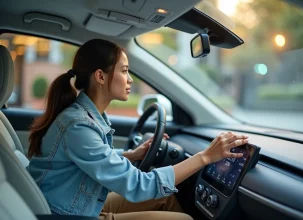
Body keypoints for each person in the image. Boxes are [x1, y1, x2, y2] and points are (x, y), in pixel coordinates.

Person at [28, 39, 248, 220]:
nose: (130, 79)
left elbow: (88, 158)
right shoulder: (79, 126)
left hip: (79, 203)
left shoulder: (84, 118)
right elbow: (139, 185)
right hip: (69, 214)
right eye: (124, 71)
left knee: (167, 199)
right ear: (100, 76)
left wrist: (130, 155)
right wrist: (205, 157)